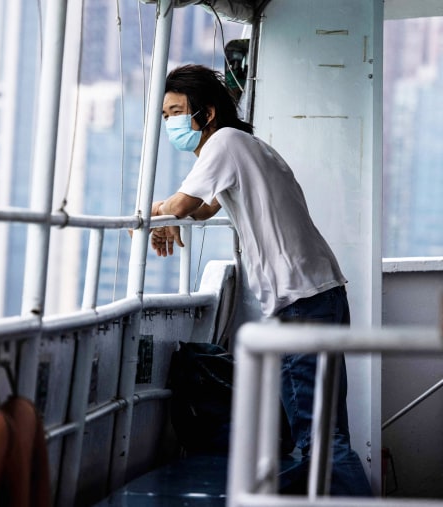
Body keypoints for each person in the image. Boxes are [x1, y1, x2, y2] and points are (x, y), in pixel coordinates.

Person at [151, 64, 372, 496]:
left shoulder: (225, 143)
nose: (170, 123)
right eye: (164, 115)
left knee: (319, 441)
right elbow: (203, 208)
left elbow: (181, 205)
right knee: (325, 431)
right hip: (318, 295)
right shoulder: (246, 145)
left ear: (206, 113)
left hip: (302, 304)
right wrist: (172, 212)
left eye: (176, 111)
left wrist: (160, 212)